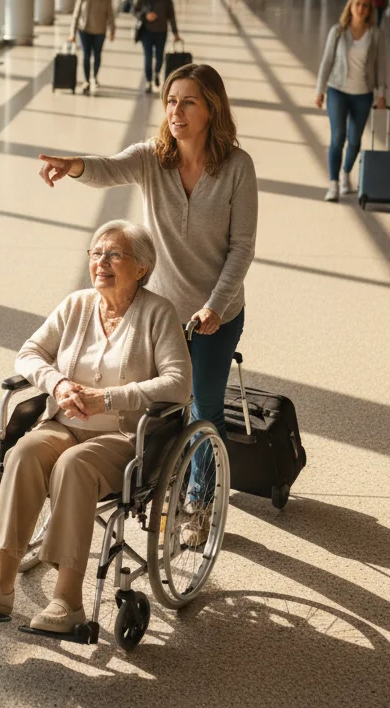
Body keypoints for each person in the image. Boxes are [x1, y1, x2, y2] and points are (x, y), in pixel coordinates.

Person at [34, 63, 258, 546]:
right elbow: (106, 169)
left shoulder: (237, 168)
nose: (176, 111)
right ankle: (146, 476)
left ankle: (200, 500)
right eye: (171, 101)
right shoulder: (152, 159)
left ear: (211, 108)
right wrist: (72, 166)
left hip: (217, 314)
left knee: (204, 407)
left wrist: (216, 306)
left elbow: (242, 247)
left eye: (188, 102)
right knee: (155, 402)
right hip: (159, 312)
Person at [0, 220, 191, 633]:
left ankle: (67, 601)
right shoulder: (76, 305)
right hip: (63, 421)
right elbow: (29, 354)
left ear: (141, 268)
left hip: (123, 435)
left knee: (73, 466)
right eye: (96, 253)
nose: (101, 262)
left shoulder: (159, 313)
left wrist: (111, 398)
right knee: (25, 453)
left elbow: (179, 383)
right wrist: (58, 383)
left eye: (114, 254)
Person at [315, 0, 387, 202]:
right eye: (358, 4)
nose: (361, 8)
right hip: (337, 89)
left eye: (366, 5)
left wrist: (381, 93)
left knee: (354, 140)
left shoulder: (376, 34)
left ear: (370, 10)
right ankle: (333, 183)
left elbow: (380, 65)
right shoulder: (338, 31)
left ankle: (346, 173)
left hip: (363, 93)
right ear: (351, 6)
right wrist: (320, 90)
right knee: (338, 137)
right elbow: (326, 61)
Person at [70, 0, 117, 96]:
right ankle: (86, 80)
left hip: (100, 31)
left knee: (97, 55)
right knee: (86, 55)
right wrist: (72, 33)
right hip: (84, 30)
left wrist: (112, 30)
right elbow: (76, 14)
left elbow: (110, 16)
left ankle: (94, 76)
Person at [133, 0, 181, 93]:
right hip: (146, 32)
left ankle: (157, 73)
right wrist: (145, 16)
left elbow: (171, 14)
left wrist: (175, 33)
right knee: (148, 57)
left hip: (161, 31)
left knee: (159, 57)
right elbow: (135, 11)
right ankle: (149, 81)